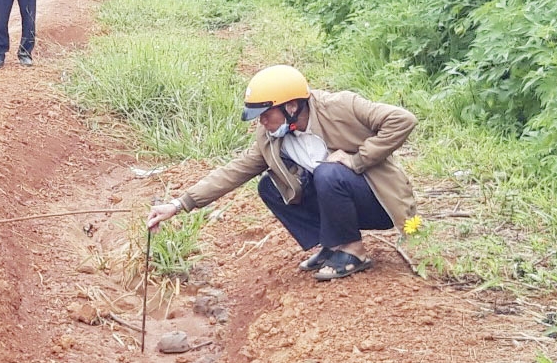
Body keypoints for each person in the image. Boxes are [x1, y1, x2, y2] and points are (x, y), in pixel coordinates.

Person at [146, 65, 418, 281]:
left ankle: (353, 252)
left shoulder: (339, 106)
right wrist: (179, 204)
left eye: (266, 114)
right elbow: (235, 170)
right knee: (270, 186)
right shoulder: (271, 137)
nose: (262, 122)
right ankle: (332, 244)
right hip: (339, 198)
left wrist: (358, 159)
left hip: (377, 202)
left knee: (328, 173)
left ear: (290, 106)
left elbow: (402, 120)